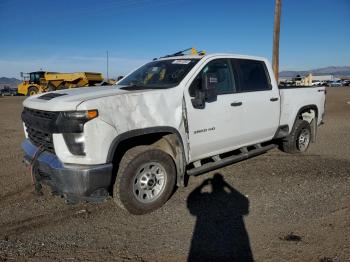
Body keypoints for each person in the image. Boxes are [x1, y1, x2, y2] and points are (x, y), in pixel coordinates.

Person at [187, 173, 253, 261]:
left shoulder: (206, 198)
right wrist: (226, 185)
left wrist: (202, 185)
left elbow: (191, 200)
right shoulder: (228, 199)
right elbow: (243, 201)